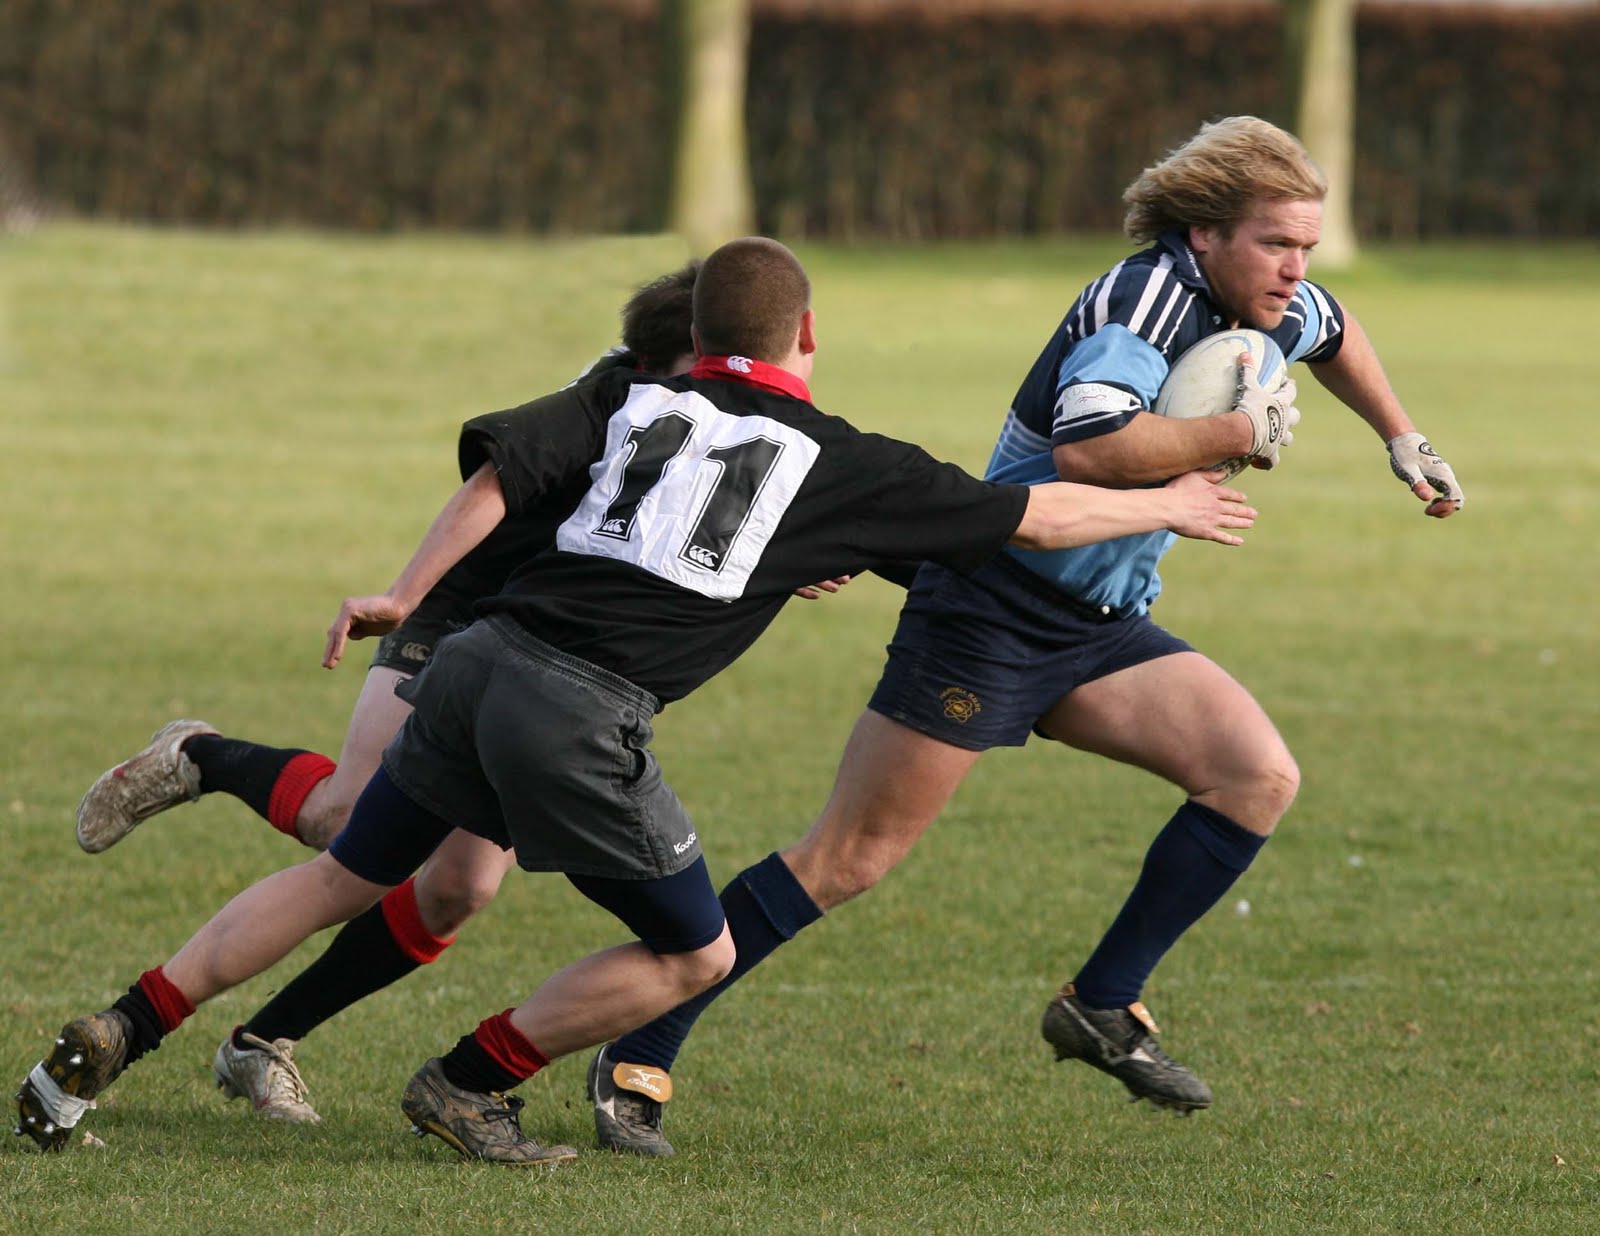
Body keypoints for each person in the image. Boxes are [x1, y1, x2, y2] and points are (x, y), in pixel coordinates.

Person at [16, 236, 1260, 1162]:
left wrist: (410, 591)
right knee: (692, 949)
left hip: (474, 659)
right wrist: (1171, 499)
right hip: (577, 710)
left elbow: (526, 478)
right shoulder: (838, 459)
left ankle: (121, 1031)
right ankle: (468, 1081)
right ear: (805, 337)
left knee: (356, 862)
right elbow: (1037, 512)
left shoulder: (625, 391)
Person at [584, 116, 1467, 1158]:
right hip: (991, 609)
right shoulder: (1139, 303)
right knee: (848, 858)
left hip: (1097, 625)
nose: (1295, 269)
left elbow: (1334, 330)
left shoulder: (1260, 296)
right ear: (1205, 234)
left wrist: (1399, 438)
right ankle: (642, 1038)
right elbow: (1092, 449)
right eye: (1278, 243)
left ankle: (1102, 1003)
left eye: (1306, 245)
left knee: (1254, 777)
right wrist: (1234, 434)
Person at [65, 263, 703, 1125]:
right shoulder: (617, 398)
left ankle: (262, 1041)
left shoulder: (707, 411)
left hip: (534, 649)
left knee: (460, 888)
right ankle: (200, 755)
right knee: (345, 820)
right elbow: (492, 486)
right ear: (682, 353)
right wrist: (405, 595)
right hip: (458, 609)